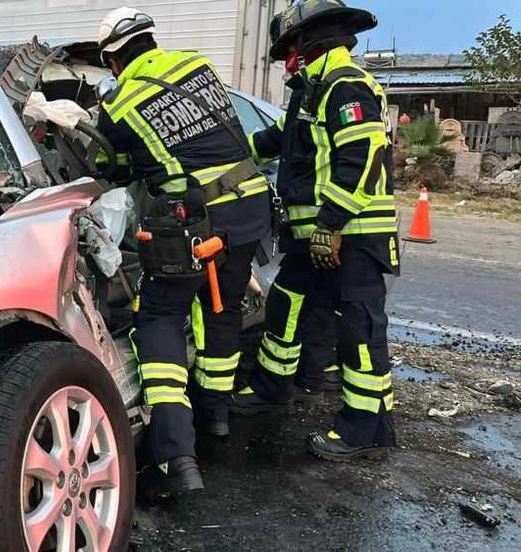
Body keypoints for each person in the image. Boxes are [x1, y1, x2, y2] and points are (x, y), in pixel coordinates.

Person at [95, 7, 271, 496]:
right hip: (249, 209)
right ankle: (216, 419)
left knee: (160, 320)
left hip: (192, 222)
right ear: (150, 40)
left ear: (113, 59)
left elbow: (110, 165)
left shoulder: (120, 101)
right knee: (221, 310)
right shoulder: (197, 66)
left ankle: (177, 457)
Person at [231, 0, 399, 462]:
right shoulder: (312, 90)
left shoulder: (346, 87)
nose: (287, 60)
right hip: (314, 240)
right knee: (286, 304)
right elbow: (272, 142)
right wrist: (217, 151)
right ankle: (273, 389)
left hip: (353, 235)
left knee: (360, 331)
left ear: (309, 44)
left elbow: (361, 160)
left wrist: (330, 225)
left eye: (290, 49)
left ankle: (365, 428)